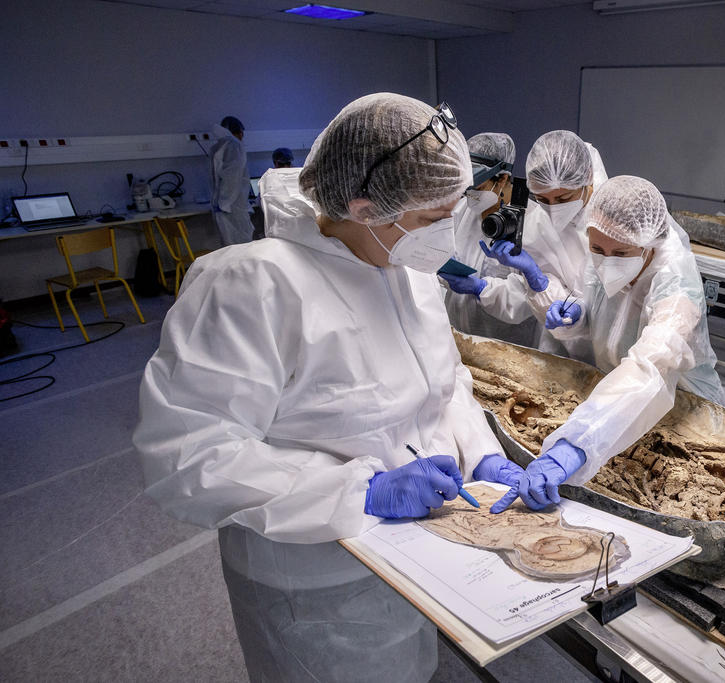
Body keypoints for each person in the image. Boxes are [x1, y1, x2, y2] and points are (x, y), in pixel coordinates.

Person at [134, 94, 527, 682]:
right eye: (430, 219)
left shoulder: (408, 272)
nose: (447, 236)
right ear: (366, 207)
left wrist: (484, 452)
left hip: (420, 551)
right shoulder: (251, 285)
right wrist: (360, 491)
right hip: (314, 579)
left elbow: (446, 386)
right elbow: (188, 456)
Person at [491, 175, 724, 513]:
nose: (606, 260)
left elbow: (651, 366)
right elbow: (598, 312)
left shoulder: (676, 283)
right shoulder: (602, 252)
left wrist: (576, 444)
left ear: (649, 245)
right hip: (616, 404)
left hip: (682, 410)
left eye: (621, 253)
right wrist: (576, 313)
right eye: (597, 249)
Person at [445, 130, 607, 353]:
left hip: (523, 341)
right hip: (565, 342)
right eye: (542, 199)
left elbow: (608, 298)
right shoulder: (540, 224)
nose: (552, 208)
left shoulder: (611, 217)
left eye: (562, 199)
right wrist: (540, 284)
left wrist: (486, 288)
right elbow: (555, 295)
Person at [437, 132, 537, 346]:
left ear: (502, 179)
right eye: (466, 189)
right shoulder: (462, 210)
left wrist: (481, 288)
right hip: (459, 333)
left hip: (508, 343)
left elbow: (528, 301)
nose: (470, 195)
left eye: (478, 188)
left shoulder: (533, 224)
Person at [210, 115, 257, 245]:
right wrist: (225, 202)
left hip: (222, 204)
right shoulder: (235, 146)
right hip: (232, 205)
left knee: (228, 244)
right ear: (240, 133)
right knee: (242, 244)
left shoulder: (217, 147)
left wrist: (221, 202)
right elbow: (232, 178)